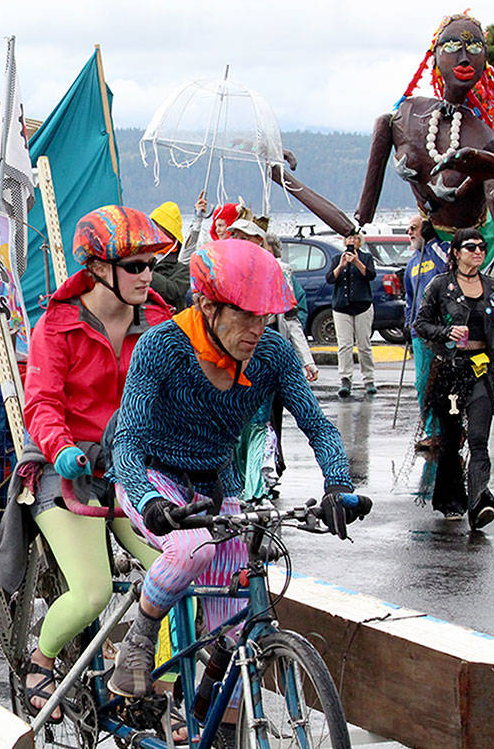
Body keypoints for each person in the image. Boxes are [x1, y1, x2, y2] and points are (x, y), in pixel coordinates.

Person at [108, 238, 366, 698]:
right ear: (207, 306)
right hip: (148, 475)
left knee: (234, 622)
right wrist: (148, 502)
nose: (257, 327)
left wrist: (338, 485)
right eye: (244, 315)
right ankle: (140, 636)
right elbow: (127, 439)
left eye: (264, 315)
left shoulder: (271, 353)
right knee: (193, 550)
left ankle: (213, 720)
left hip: (215, 482)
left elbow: (319, 428)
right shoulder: (161, 346)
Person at [2, 205, 173, 721]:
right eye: (136, 265)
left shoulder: (163, 321)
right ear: (100, 269)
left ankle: (146, 683)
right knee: (94, 590)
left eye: (151, 264)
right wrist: (62, 448)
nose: (148, 275)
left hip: (130, 466)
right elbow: (41, 404)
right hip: (63, 466)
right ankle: (40, 659)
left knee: (174, 571)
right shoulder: (57, 324)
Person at [355, 13, 494, 283]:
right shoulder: (406, 115)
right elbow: (359, 218)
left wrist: (489, 171)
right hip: (429, 247)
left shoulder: (483, 139)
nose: (465, 58)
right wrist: (283, 178)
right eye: (453, 47)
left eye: (475, 48)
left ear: (485, 61)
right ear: (434, 55)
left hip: (473, 254)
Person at [415, 227, 494, 529]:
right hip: (451, 371)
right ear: (456, 252)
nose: (478, 252)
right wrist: (447, 332)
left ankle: (479, 502)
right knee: (452, 440)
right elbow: (421, 324)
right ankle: (450, 499)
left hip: (482, 371)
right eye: (471, 247)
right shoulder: (440, 285)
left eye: (481, 247)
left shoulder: (493, 286)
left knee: (479, 440)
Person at [227, 218, 318, 499]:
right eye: (235, 237)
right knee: (233, 423)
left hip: (265, 355)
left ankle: (257, 486)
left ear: (258, 242)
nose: (239, 242)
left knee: (260, 422)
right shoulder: (225, 268)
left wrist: (306, 360)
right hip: (230, 356)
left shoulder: (279, 271)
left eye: (246, 237)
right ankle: (236, 484)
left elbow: (291, 320)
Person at [403, 215, 449, 451]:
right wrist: (408, 325)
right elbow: (410, 298)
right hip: (420, 334)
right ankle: (432, 430)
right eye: (407, 229)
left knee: (449, 383)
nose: (409, 232)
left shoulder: (441, 250)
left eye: (414, 228)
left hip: (444, 330)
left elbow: (448, 267)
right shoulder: (411, 264)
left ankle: (453, 430)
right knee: (423, 383)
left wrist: (432, 241)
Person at [327, 229, 376, 397]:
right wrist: (341, 266)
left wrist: (356, 262)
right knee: (345, 345)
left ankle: (368, 379)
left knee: (364, 344)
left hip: (362, 305)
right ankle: (345, 379)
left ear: (359, 241)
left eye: (355, 238)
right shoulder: (336, 259)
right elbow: (330, 279)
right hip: (341, 307)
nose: (352, 241)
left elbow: (370, 275)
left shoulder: (366, 258)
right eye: (349, 238)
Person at [147, 201, 190, 311]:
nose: (153, 232)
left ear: (170, 235)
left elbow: (173, 292)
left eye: (157, 228)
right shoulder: (140, 258)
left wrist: (145, 270)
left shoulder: (182, 270)